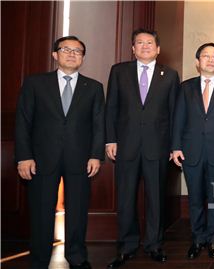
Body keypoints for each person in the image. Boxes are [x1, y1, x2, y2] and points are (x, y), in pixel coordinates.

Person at [15, 36, 104, 269]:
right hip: (42, 159)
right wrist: (24, 156)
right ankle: (40, 259)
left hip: (81, 159)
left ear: (83, 57)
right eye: (66, 49)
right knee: (42, 212)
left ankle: (76, 257)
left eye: (78, 51)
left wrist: (96, 155)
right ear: (55, 54)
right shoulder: (35, 84)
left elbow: (98, 124)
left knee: (77, 212)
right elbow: (23, 122)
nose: (72, 54)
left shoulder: (94, 87)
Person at [105, 28, 180, 267]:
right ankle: (127, 246)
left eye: (150, 43)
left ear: (158, 49)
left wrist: (173, 145)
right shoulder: (119, 71)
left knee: (155, 198)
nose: (145, 46)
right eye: (140, 42)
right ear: (133, 48)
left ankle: (154, 245)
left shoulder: (169, 75)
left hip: (158, 146)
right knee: (126, 198)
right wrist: (111, 139)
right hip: (125, 145)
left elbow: (174, 114)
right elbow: (111, 109)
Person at [172, 42, 214, 259]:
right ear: (197, 62)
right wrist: (175, 147)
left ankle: (213, 239)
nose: (210, 60)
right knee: (195, 198)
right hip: (191, 151)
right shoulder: (185, 87)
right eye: (205, 56)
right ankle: (197, 238)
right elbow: (178, 119)